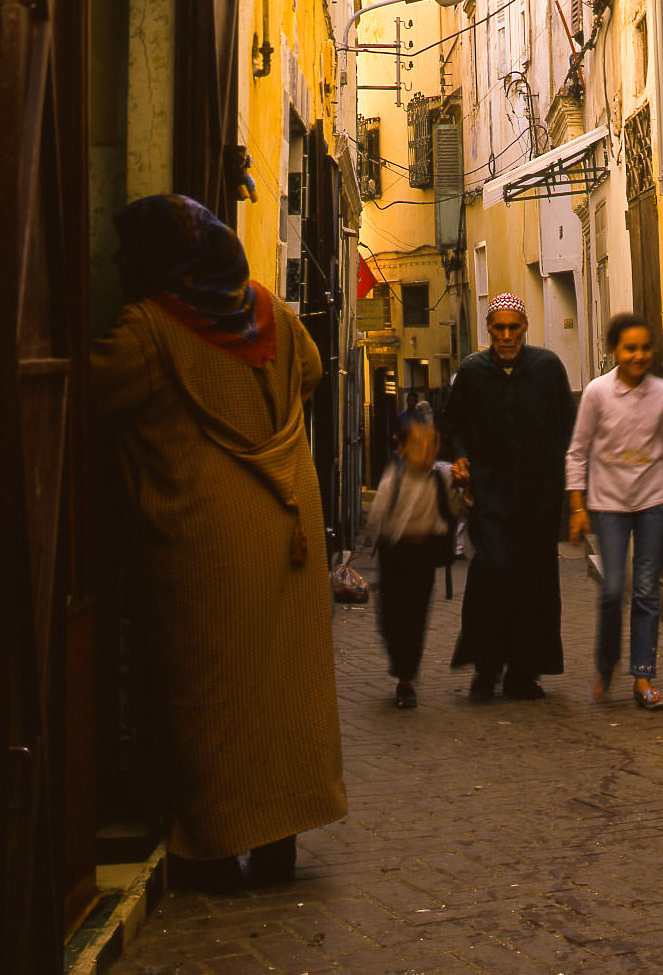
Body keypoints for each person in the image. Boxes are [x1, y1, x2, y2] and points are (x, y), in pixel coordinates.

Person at [90, 194, 347, 891]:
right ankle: (277, 843)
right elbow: (315, 373)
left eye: (128, 250)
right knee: (280, 693)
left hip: (208, 541)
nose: (117, 262)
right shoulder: (272, 312)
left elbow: (87, 393)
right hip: (288, 526)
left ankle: (211, 849)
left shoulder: (147, 330)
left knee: (209, 689)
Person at [441, 293, 576, 700]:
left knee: (533, 584)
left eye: (512, 327)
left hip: (538, 502)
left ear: (525, 328)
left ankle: (523, 673)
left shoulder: (548, 369)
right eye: (498, 328)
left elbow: (569, 430)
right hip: (490, 500)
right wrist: (462, 458)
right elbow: (454, 426)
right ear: (488, 330)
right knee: (491, 577)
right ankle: (486, 669)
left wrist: (569, 491)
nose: (505, 335)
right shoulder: (472, 372)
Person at [566, 312, 663, 710]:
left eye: (644, 348)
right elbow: (577, 452)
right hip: (609, 505)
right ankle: (605, 664)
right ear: (615, 350)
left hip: (653, 502)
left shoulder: (662, 393)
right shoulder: (597, 393)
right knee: (613, 588)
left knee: (647, 592)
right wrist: (578, 507)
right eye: (629, 348)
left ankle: (642, 679)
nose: (638, 356)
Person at [363, 413, 460, 708]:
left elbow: (456, 510)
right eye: (418, 445)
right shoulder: (394, 480)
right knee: (392, 615)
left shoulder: (440, 480)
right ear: (402, 448)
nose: (426, 452)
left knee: (416, 616)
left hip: (423, 557)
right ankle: (398, 656)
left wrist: (466, 490)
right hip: (396, 556)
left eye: (431, 445)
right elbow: (377, 517)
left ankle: (406, 677)